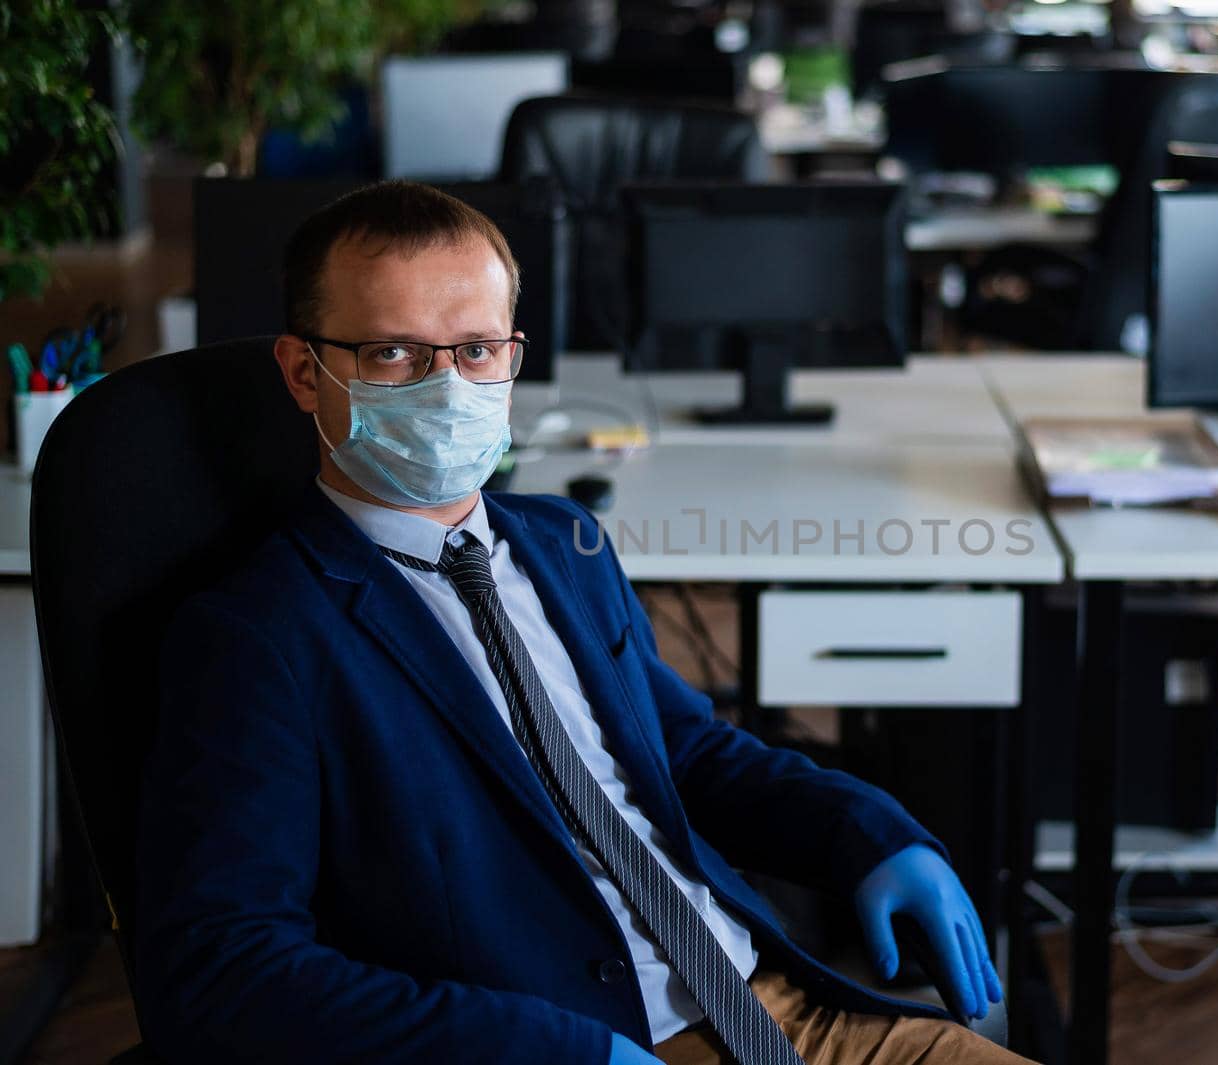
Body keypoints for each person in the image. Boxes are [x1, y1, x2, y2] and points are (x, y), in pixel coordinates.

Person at [135, 180, 1035, 1065]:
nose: (448, 388)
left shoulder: (564, 545)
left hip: (776, 1005)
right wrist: (554, 1050)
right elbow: (223, 970)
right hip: (552, 1036)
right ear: (305, 371)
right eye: (396, 355)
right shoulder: (259, 635)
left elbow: (683, 754)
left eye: (478, 350)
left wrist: (870, 833)